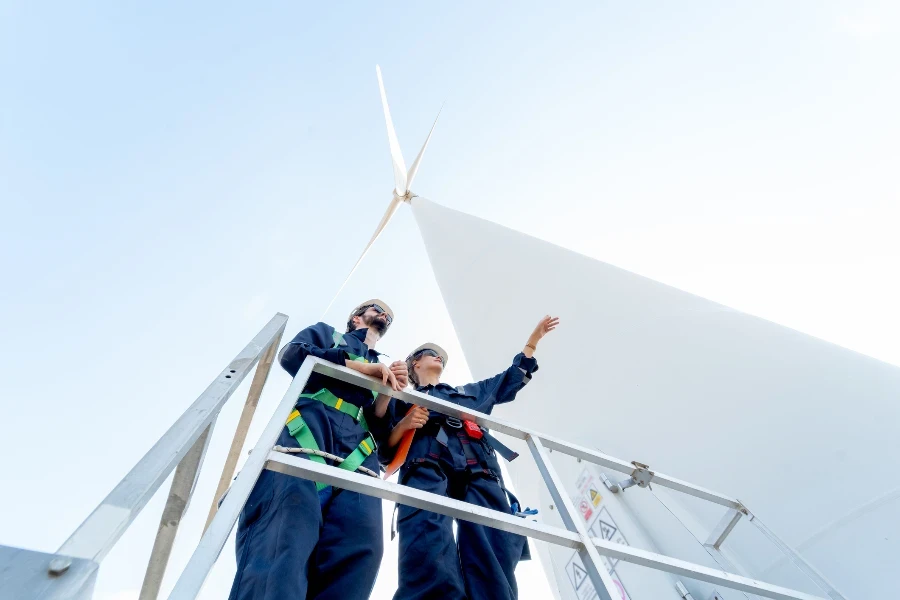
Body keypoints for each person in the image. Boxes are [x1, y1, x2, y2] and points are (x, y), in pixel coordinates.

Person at [229, 299, 408, 600]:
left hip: (361, 456)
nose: (383, 314)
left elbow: (382, 433)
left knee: (360, 553)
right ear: (356, 317)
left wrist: (389, 393)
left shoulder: (384, 366)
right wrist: (358, 367)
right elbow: (293, 355)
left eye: (388, 315)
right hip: (308, 435)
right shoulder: (327, 335)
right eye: (377, 308)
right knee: (285, 539)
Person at [388, 315, 559, 600]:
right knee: (425, 534)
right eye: (432, 354)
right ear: (415, 363)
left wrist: (532, 342)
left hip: (478, 467)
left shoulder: (468, 394)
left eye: (441, 356)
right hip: (425, 462)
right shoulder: (402, 399)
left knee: (490, 543)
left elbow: (509, 379)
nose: (438, 357)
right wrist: (406, 424)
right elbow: (385, 448)